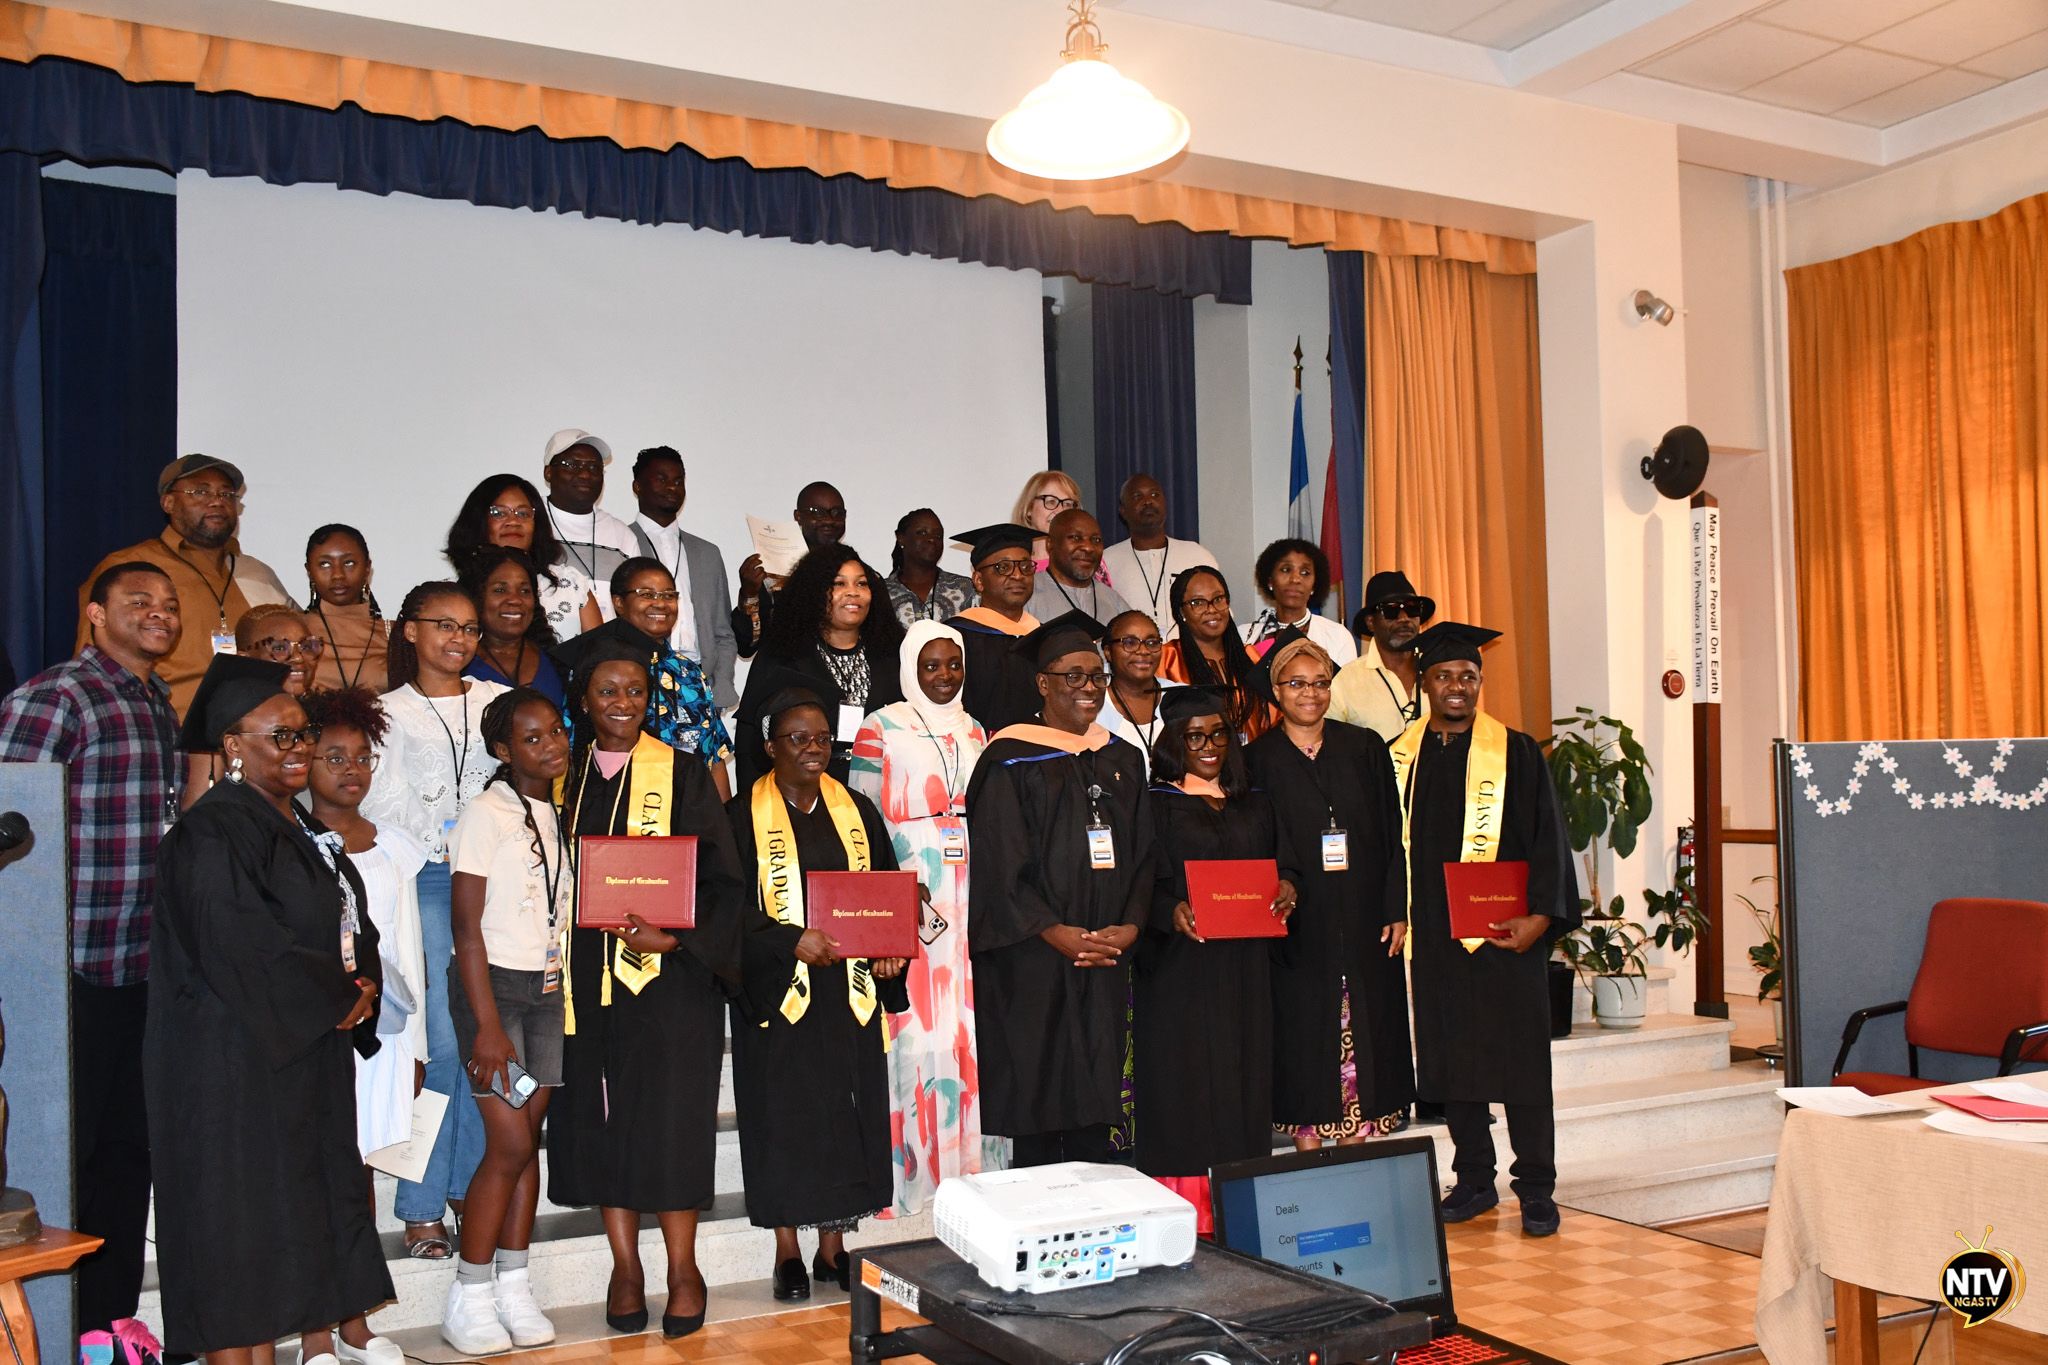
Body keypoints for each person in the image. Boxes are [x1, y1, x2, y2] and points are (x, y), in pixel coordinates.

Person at [145, 654, 390, 1361]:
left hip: (292, 1054)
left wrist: (361, 982)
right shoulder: (211, 831)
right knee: (238, 1231)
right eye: (280, 736)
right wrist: (337, 996)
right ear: (232, 744)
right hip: (229, 1063)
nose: (299, 748)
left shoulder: (293, 822)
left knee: (286, 1227)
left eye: (303, 733)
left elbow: (343, 917)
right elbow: (240, 942)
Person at [0, 561, 180, 1331]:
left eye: (169, 604)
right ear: (96, 613)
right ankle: (44, 1329)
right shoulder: (58, 696)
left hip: (139, 967)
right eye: (139, 601)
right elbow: (10, 819)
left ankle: (108, 1331)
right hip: (66, 970)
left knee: (126, 1158)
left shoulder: (157, 701)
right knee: (60, 1161)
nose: (160, 613)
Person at [548, 644, 746, 1338]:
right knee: (603, 1123)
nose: (623, 703)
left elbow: (723, 880)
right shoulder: (561, 778)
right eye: (608, 691)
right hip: (586, 980)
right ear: (584, 701)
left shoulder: (683, 772)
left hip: (671, 982)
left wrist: (677, 940)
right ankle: (625, 1267)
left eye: (635, 690)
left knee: (673, 1123)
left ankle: (683, 1269)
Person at [1392, 622, 1579, 1239]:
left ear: (1480, 682)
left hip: (1508, 936)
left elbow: (1549, 838)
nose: (1457, 686)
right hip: (1437, 938)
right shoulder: (1400, 758)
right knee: (1454, 1064)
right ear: (1424, 683)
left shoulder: (1517, 753)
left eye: (1468, 676)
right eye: (1444, 675)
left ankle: (1537, 1187)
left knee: (1522, 1066)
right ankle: (1474, 1178)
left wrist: (1540, 919)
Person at [727, 687, 909, 1300]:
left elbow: (885, 889)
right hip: (778, 993)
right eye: (797, 738)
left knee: (846, 1113)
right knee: (781, 1116)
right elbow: (724, 907)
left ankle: (833, 1248)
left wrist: (890, 947)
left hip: (847, 991)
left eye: (822, 738)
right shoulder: (739, 816)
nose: (813, 748)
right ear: (769, 746)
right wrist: (788, 941)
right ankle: (787, 1249)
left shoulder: (856, 808)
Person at [966, 614, 1153, 1167]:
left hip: (1108, 953)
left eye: (1096, 676)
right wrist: (1053, 931)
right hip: (1036, 958)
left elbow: (1146, 854)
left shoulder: (1122, 757)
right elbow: (1000, 863)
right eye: (1072, 676)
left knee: (1103, 1092)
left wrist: (1132, 924)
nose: (1087, 687)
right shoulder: (1009, 758)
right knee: (1042, 1089)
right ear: (1043, 684)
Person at [359, 582, 507, 1261]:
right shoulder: (383, 713)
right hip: (423, 879)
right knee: (441, 1046)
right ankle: (421, 1206)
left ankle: (465, 1188)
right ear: (410, 630)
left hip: (496, 882)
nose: (458, 638)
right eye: (443, 624)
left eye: (469, 627)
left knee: (484, 1042)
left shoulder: (497, 701)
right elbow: (373, 806)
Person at [848, 623, 1004, 1214]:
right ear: (910, 668)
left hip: (973, 889)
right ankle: (915, 1176)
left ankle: (975, 1171)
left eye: (953, 664)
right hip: (910, 883)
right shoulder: (880, 726)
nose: (944, 676)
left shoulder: (977, 729)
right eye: (931, 665)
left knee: (970, 1024)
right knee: (917, 1028)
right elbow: (861, 818)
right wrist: (890, 893)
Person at [1246, 638, 1415, 1150]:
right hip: (1298, 921)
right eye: (1297, 683)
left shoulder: (1364, 747)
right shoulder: (1256, 760)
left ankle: (1356, 1155)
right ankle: (1307, 1158)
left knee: (1369, 1028)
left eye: (1321, 683)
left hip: (1365, 915)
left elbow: (1391, 832)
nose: (1311, 694)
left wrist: (1396, 907)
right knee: (1302, 1031)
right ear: (1277, 691)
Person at [442, 688, 572, 1350]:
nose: (552, 745)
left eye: (556, 731)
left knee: (529, 1140)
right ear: (502, 749)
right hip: (491, 991)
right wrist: (486, 1026)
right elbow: (466, 929)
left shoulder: (555, 812)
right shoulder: (484, 813)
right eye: (532, 737)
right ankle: (468, 1293)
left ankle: (514, 1286)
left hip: (546, 988)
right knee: (510, 1145)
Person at [298, 686, 424, 1365]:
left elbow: (410, 950)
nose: (351, 770)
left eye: (362, 757)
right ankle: (313, 1332)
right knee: (314, 1173)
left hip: (384, 1033)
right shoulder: (289, 841)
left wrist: (417, 1046)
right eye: (334, 756)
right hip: (319, 1030)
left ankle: (354, 1322)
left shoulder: (395, 845)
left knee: (360, 1174)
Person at [1137, 688, 1296, 1224]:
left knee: (1244, 1075)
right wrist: (1169, 911)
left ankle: (1241, 1207)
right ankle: (1188, 1213)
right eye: (1194, 737)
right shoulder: (1154, 804)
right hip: (1181, 970)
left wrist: (1288, 887)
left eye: (1218, 734)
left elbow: (1286, 864)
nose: (1208, 746)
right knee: (1185, 1081)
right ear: (1173, 744)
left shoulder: (1256, 801)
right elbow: (1139, 882)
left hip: (1247, 966)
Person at [74, 454, 294, 717]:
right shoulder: (130, 568)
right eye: (200, 492)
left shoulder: (258, 574)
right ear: (168, 502)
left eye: (227, 494)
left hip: (250, 733)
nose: (217, 501)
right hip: (161, 728)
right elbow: (93, 664)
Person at [554, 559, 734, 795]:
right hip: (617, 805)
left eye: (668, 595)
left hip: (690, 807)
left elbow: (714, 758)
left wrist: (723, 816)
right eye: (647, 594)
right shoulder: (593, 670)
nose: (660, 603)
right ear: (619, 602)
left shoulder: (689, 673)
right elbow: (568, 751)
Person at [732, 546, 903, 793]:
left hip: (882, 793)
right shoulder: (783, 655)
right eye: (839, 584)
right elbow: (751, 740)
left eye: (861, 584)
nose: (853, 592)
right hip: (804, 797)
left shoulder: (893, 656)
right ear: (813, 592)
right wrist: (753, 804)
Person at [626, 445, 739, 709]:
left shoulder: (708, 553)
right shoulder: (621, 543)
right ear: (637, 486)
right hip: (642, 684)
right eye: (661, 479)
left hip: (700, 684)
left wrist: (720, 686)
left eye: (678, 481)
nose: (672, 487)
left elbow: (723, 632)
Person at [180, 603, 320, 808]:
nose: (299, 657)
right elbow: (198, 809)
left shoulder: (316, 716)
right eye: (279, 648)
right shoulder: (227, 721)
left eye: (306, 647)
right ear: (244, 657)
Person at [446, 473, 602, 640]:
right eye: (499, 513)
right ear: (478, 521)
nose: (513, 521)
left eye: (523, 513)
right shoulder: (454, 593)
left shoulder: (571, 585)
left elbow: (602, 651)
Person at [1158, 567, 1278, 742]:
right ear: (1181, 612)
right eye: (1198, 602)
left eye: (1218, 599)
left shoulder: (1250, 656)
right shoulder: (1167, 659)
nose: (1211, 609)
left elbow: (1273, 717)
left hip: (1254, 755)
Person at [943, 524, 1042, 733]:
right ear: (979, 581)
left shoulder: (1043, 636)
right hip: (976, 748)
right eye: (1003, 567)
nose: (1018, 575)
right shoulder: (955, 638)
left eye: (1025, 567)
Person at [734, 481, 847, 658]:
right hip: (788, 672)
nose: (829, 520)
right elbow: (746, 646)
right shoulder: (772, 573)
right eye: (817, 512)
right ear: (798, 516)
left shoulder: (862, 576)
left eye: (837, 512)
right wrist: (749, 594)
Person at [1099, 474, 1219, 634]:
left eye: (1155, 494)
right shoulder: (1106, 561)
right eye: (1137, 496)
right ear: (1123, 511)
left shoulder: (1197, 555)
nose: (1148, 501)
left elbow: (1220, 613)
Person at [460, 547, 568, 711]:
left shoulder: (554, 659)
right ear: (476, 597)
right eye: (500, 590)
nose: (515, 600)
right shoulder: (459, 661)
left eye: (524, 591)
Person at [1330, 571, 1434, 740]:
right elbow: (1331, 746)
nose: (1404, 618)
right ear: (1371, 622)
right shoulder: (1345, 682)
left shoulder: (1439, 672)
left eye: (1412, 608)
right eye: (1391, 610)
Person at [540, 428, 639, 591]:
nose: (585, 475)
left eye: (594, 467)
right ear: (548, 473)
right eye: (572, 465)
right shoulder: (529, 522)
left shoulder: (621, 536)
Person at [303, 524, 390, 692]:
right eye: (325, 564)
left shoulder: (395, 635)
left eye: (349, 563)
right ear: (309, 571)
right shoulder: (294, 632)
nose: (338, 575)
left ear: (367, 568)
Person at [1243, 537, 1357, 667]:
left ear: (1314, 585)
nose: (1295, 579)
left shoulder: (1337, 636)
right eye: (1286, 570)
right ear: (1270, 581)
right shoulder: (1245, 635)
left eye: (1305, 572)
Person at [1026, 508, 1134, 627]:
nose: (1088, 548)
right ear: (1050, 544)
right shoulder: (1026, 594)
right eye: (1075, 538)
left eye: (1096, 540)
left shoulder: (1114, 601)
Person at [1097, 609, 1176, 773]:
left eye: (1152, 642)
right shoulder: (1093, 706)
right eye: (1130, 643)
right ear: (1108, 652)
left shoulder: (1180, 696)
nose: (1144, 650)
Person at [883, 508, 975, 628]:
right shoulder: (880, 592)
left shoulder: (966, 588)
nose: (932, 539)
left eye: (938, 535)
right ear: (901, 538)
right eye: (922, 533)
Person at [1007, 470, 1085, 566]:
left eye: (1067, 504)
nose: (1060, 510)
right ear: (1029, 508)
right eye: (1051, 501)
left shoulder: (1086, 561)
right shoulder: (1012, 565)